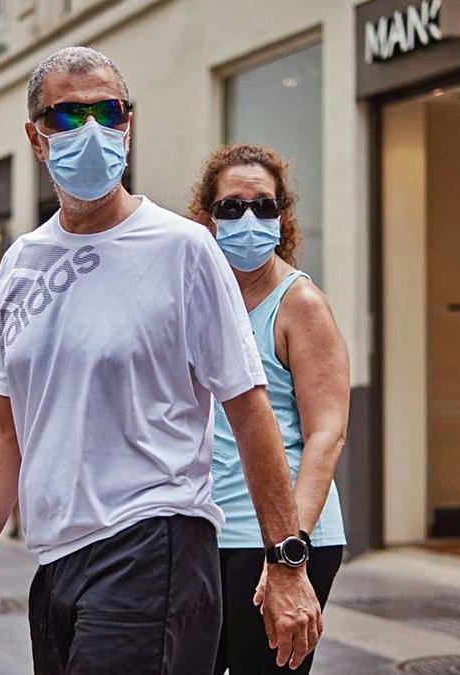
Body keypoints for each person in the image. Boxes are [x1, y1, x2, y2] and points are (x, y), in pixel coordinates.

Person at [0, 47, 321, 675]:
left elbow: (250, 410)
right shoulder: (20, 263)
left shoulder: (182, 249)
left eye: (107, 112)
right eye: (67, 116)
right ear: (36, 138)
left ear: (128, 126)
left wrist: (286, 562)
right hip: (57, 561)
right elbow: (3, 431)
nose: (90, 131)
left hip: (154, 545)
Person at [189, 144, 351, 674]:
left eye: (265, 205)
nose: (250, 219)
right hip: (204, 535)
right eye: (232, 207)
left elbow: (327, 434)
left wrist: (288, 551)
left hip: (281, 542)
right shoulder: (200, 301)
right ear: (207, 219)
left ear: (282, 217)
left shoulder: (298, 304)